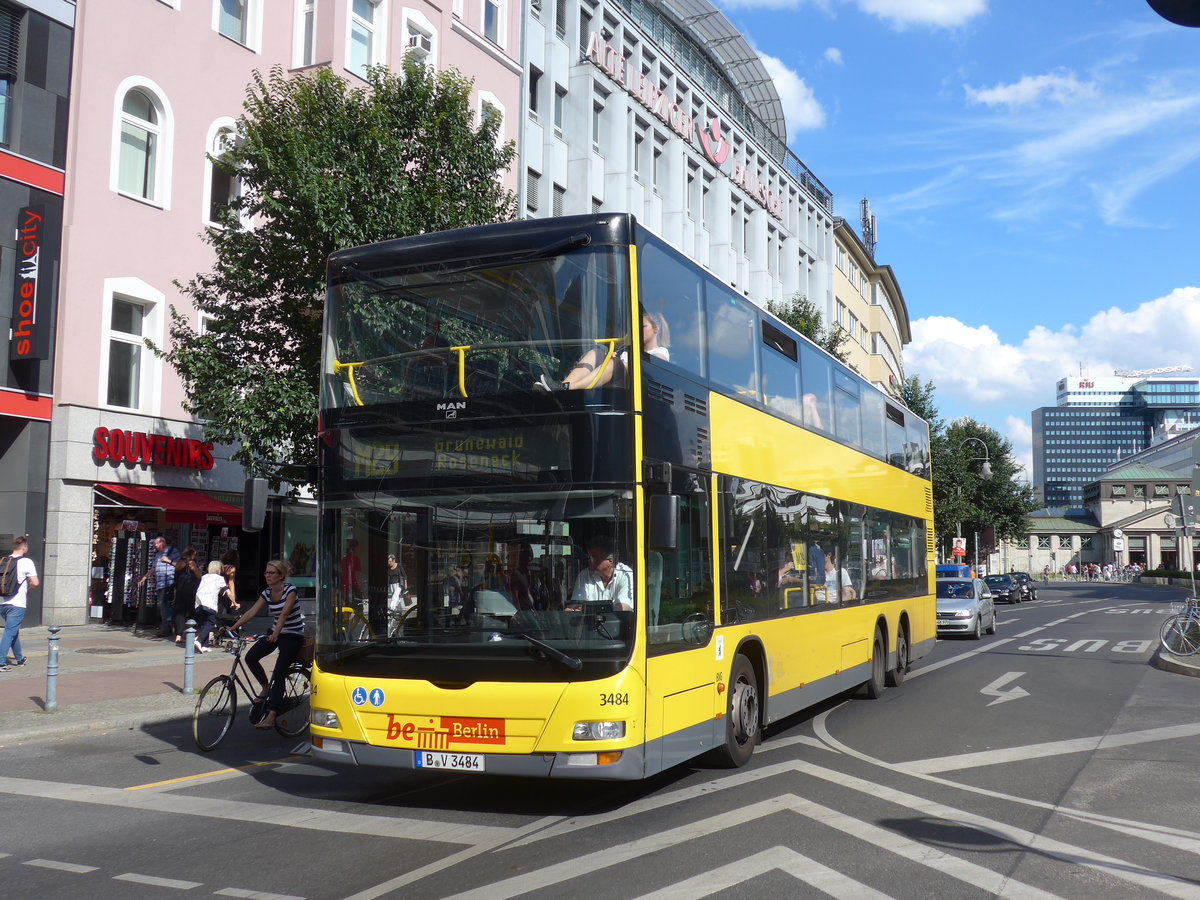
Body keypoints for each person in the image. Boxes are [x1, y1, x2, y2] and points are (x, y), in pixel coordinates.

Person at [229, 559, 305, 731]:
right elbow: (252, 612)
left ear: (281, 576)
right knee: (251, 657)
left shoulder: (290, 590)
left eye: (271, 573)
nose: (267, 576)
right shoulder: (267, 593)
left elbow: (285, 613)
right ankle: (265, 687)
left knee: (279, 673)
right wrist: (232, 627)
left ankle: (270, 717)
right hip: (275, 633)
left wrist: (276, 634)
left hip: (292, 636)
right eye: (266, 572)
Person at [536, 309, 670, 392]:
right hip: (613, 382)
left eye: (643, 326)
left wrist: (615, 361)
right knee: (596, 353)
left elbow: (649, 370)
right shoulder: (628, 351)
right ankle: (563, 386)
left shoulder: (660, 351)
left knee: (614, 364)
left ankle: (570, 388)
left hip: (629, 390)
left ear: (655, 329)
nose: (638, 331)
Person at [0, 535, 39, 670]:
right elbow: (35, 582)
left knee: (13, 631)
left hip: (3, 602)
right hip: (17, 603)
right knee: (9, 632)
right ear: (24, 548)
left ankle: (20, 659)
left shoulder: (4, 560)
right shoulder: (26, 561)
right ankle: (1, 661)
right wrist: (29, 589)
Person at [569, 535, 634, 612]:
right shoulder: (584, 575)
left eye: (593, 558)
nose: (589, 561)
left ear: (610, 560)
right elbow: (574, 607)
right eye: (588, 557)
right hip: (589, 624)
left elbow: (623, 607)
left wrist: (588, 610)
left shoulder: (626, 575)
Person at [139, 535, 179, 637]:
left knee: (166, 606)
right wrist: (145, 577)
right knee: (162, 606)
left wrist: (168, 561)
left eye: (156, 544)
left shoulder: (172, 552)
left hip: (170, 583)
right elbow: (153, 568)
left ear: (162, 542)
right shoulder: (157, 555)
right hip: (160, 584)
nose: (155, 546)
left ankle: (168, 628)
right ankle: (167, 627)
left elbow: (180, 565)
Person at [172, 547, 202, 645]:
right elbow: (199, 576)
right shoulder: (191, 563)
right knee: (192, 611)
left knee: (180, 613)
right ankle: (195, 632)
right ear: (191, 555)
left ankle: (178, 635)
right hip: (191, 591)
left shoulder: (179, 564)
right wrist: (198, 570)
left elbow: (175, 579)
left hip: (180, 591)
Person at [193, 560, 225, 651]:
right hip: (210, 604)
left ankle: (205, 645)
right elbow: (227, 591)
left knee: (204, 624)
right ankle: (199, 641)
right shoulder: (219, 578)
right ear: (219, 569)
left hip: (199, 603)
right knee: (211, 622)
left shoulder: (204, 577)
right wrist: (234, 602)